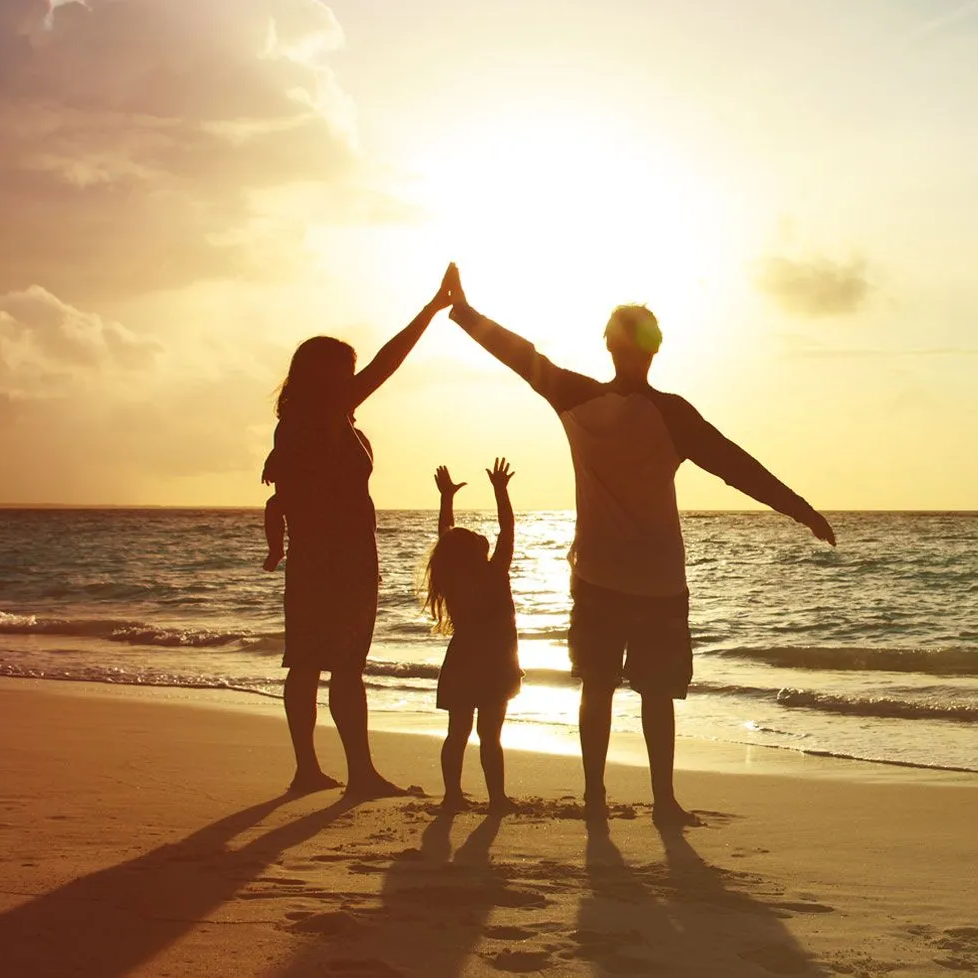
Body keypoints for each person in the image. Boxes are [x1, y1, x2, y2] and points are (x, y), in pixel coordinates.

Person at [449, 285, 835, 825]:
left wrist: (464, 312)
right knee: (653, 695)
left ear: (610, 345)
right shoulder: (666, 412)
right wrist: (802, 510)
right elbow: (737, 467)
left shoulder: (576, 396)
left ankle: (596, 798)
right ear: (653, 348)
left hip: (607, 578)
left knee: (601, 690)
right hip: (653, 580)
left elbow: (520, 355)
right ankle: (660, 802)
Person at [260, 263, 459, 798]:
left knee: (308, 664)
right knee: (342, 667)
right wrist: (431, 309)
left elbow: (282, 497)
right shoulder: (324, 413)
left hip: (320, 558)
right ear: (325, 375)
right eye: (345, 371)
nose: (354, 379)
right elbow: (387, 364)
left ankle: (310, 771)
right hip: (339, 559)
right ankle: (359, 775)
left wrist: (280, 543)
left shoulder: (301, 421)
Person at [422, 458, 523, 810]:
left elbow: (445, 535)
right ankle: (497, 799)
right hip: (495, 665)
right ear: (474, 552)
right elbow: (507, 530)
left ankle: (453, 795)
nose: (483, 538)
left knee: (459, 732)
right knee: (489, 737)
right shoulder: (495, 573)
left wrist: (446, 499)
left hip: (463, 663)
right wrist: (500, 492)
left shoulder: (453, 578)